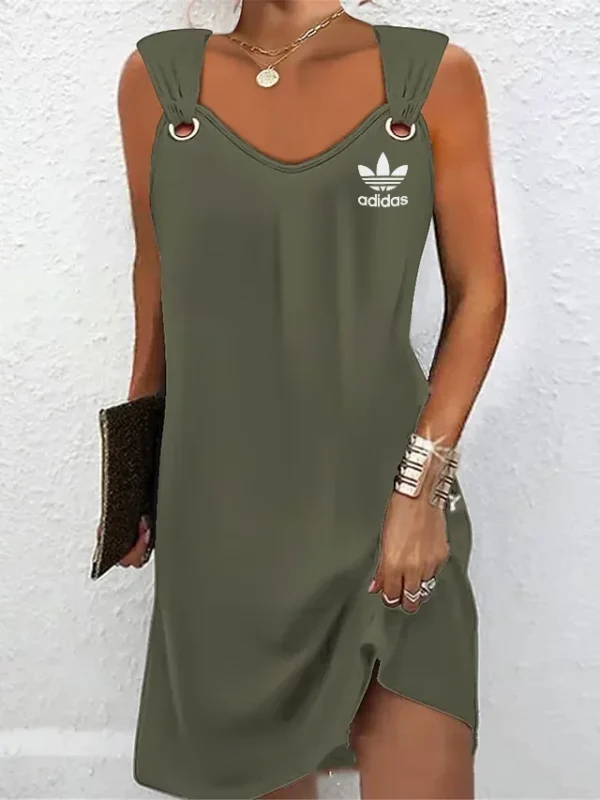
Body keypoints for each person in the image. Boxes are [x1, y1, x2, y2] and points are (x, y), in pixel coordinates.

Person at [115, 1, 506, 797]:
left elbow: (481, 295)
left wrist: (422, 490)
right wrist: (132, 474)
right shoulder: (159, 83)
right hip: (223, 529)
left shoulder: (430, 78)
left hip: (390, 518)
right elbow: (155, 282)